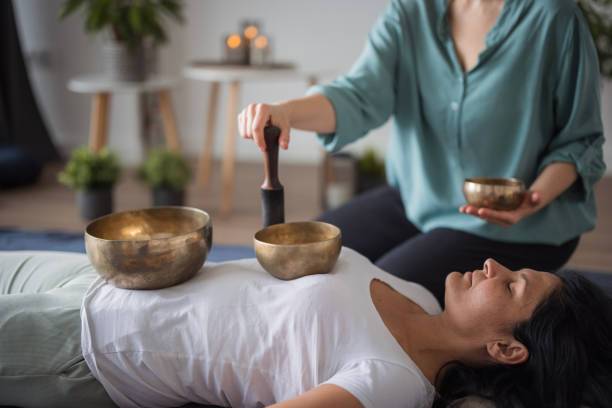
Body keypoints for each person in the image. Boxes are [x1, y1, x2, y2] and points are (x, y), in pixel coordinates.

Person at [237, 0, 606, 304]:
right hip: (417, 200)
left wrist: (531, 200)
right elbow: (359, 95)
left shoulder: (554, 18)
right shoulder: (410, 11)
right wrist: (285, 111)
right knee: (305, 264)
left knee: (366, 297)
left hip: (518, 227)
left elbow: (580, 140)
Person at [0, 250, 610, 408]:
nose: (493, 267)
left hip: (95, 348)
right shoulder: (417, 295)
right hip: (113, 274)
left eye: (509, 286)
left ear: (505, 348)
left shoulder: (392, 384)